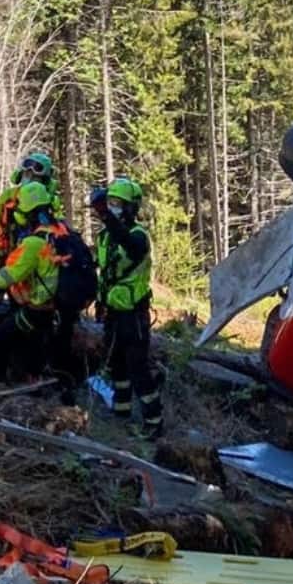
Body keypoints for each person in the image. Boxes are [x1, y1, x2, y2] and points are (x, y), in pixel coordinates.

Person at [0, 169, 95, 387]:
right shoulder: (63, 231)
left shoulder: (34, 243)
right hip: (62, 311)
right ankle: (48, 382)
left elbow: (2, 279)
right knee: (46, 351)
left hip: (39, 311)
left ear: (26, 212)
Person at [92, 177, 163, 438]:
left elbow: (131, 249)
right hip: (113, 311)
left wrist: (107, 217)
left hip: (134, 314)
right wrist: (99, 302)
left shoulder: (137, 236)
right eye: (110, 203)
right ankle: (121, 412)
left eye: (118, 204)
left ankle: (154, 422)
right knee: (116, 365)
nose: (112, 208)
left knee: (138, 368)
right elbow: (105, 273)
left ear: (131, 207)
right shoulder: (104, 237)